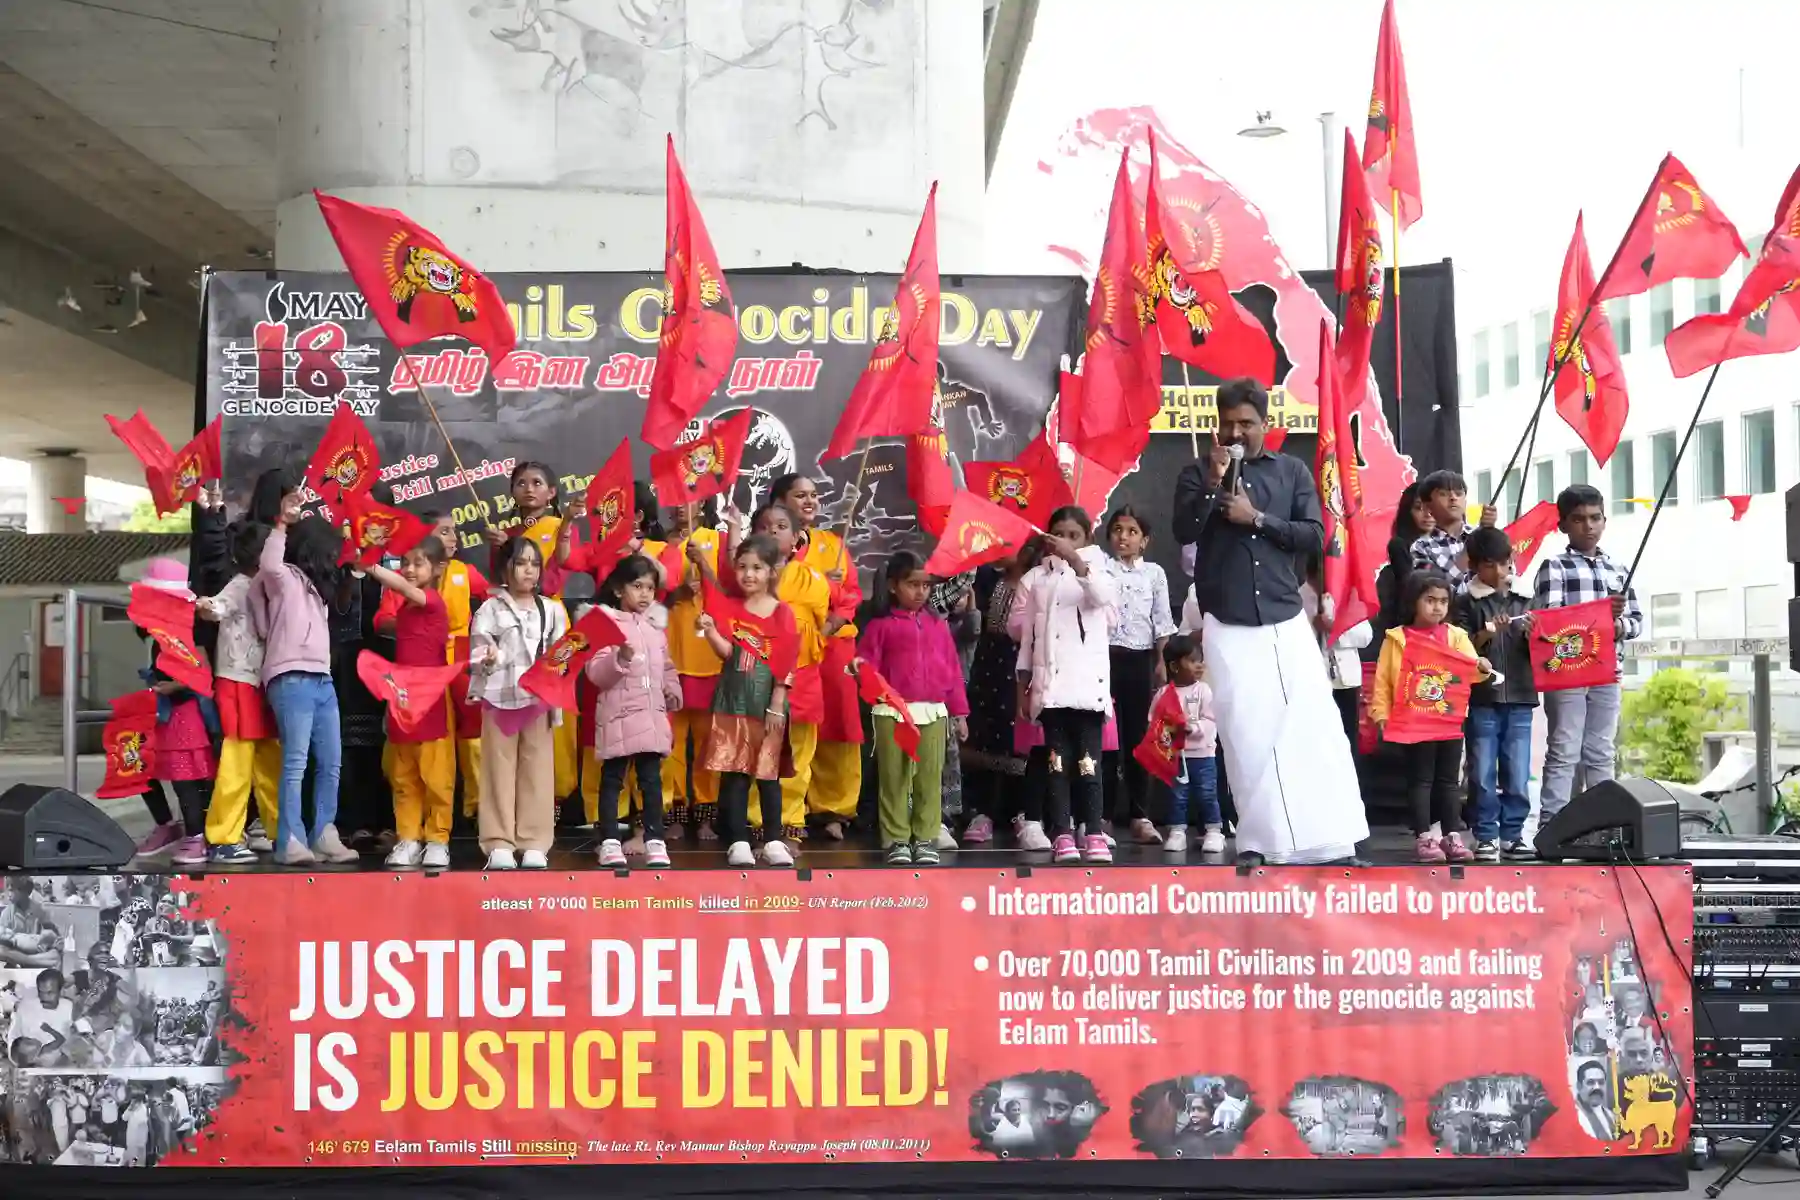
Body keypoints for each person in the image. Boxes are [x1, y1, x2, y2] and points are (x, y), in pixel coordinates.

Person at [1171, 377, 1368, 865]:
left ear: (1266, 422)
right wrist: (1214, 482)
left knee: (1313, 729)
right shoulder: (1197, 473)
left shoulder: (1291, 471)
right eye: (1228, 424)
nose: (1237, 432)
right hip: (1229, 622)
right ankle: (1260, 843)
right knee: (1246, 735)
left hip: (1284, 617)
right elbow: (1184, 529)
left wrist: (1256, 518)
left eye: (1247, 423)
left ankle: (1331, 842)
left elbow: (1315, 534)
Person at [250, 506, 357, 866]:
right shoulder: (284, 577)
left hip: (322, 679)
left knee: (331, 762)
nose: (334, 557)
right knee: (296, 762)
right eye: (331, 550)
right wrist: (282, 523)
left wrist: (355, 565)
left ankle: (324, 833)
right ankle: (290, 839)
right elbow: (269, 565)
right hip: (290, 677)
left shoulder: (316, 590)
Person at [1531, 484, 1643, 823]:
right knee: (1564, 747)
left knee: (1601, 749)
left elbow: (1636, 622)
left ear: (1605, 520)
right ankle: (1552, 822)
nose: (1588, 526)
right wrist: (1598, 617)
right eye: (1579, 519)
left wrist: (1616, 623)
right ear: (1563, 525)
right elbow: (1549, 622)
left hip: (1608, 671)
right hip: (1567, 672)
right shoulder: (1555, 567)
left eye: (1595, 518)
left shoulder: (1618, 569)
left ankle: (1602, 821)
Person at [1015, 507, 1118, 864]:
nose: (1065, 541)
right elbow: (1028, 640)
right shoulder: (1038, 580)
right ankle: (1061, 832)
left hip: (1086, 690)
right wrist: (1023, 686)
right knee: (1056, 764)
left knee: (1089, 764)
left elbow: (1103, 598)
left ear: (1088, 537)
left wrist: (1076, 561)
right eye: (1059, 534)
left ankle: (1093, 831)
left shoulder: (1099, 572)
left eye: (1074, 535)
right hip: (1052, 691)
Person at [375, 511, 490, 821]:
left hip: (461, 660)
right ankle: (413, 822)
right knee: (416, 746)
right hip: (421, 667)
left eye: (454, 531)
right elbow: (382, 620)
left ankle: (477, 806)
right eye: (445, 531)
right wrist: (413, 628)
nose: (453, 537)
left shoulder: (465, 571)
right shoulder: (404, 582)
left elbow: (492, 596)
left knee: (472, 736)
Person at [857, 550, 970, 865]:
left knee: (929, 778)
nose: (920, 592)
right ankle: (896, 839)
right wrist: (870, 682)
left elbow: (952, 670)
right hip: (893, 713)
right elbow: (866, 667)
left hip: (933, 712)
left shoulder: (937, 625)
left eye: (926, 585)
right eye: (912, 584)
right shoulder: (880, 626)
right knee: (894, 778)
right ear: (893, 586)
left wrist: (959, 712)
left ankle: (925, 838)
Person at [694, 533, 799, 868]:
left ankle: (773, 840)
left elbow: (788, 661)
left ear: (771, 572)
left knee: (768, 776)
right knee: (734, 775)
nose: (748, 574)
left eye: (756, 567)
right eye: (742, 567)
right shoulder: (732, 609)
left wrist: (777, 703)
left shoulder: (782, 613)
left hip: (766, 705)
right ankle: (738, 841)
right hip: (732, 702)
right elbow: (728, 653)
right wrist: (711, 631)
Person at [1372, 570, 1490, 863]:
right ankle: (1424, 838)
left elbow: (1471, 670)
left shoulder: (1455, 636)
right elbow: (1383, 680)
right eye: (1430, 600)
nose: (1437, 607)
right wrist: (1381, 714)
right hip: (1413, 720)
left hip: (1448, 719)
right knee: (1421, 780)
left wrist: (1482, 667)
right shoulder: (1396, 638)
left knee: (1448, 781)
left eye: (1443, 601)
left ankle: (1452, 836)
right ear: (1413, 601)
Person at [770, 473, 864, 841]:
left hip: (833, 644)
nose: (810, 501)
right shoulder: (766, 546)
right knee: (791, 728)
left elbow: (851, 595)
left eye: (814, 495)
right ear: (780, 502)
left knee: (838, 724)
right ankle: (783, 816)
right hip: (788, 650)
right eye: (800, 495)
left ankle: (834, 808)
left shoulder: (832, 544)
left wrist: (829, 624)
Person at [469, 535, 569, 870]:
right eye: (521, 563)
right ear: (504, 568)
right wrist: (488, 656)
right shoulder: (489, 609)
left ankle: (534, 842)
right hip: (499, 699)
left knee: (537, 771)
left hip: (537, 701)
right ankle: (498, 842)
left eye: (534, 564)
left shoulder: (551, 610)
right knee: (497, 771)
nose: (529, 570)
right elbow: (478, 654)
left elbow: (562, 656)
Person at [586, 555, 681, 868]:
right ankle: (610, 841)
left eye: (650, 588)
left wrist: (673, 691)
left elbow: (667, 667)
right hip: (618, 718)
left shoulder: (655, 631)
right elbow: (596, 673)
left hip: (649, 720)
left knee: (651, 782)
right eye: (637, 586)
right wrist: (621, 658)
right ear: (618, 589)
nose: (644, 594)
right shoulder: (604, 624)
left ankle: (655, 840)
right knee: (612, 781)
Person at [367, 540, 455, 870]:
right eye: (405, 562)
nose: (409, 569)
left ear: (438, 568)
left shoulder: (433, 602)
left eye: (418, 563)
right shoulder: (405, 608)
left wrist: (369, 567)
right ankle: (408, 837)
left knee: (436, 776)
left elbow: (404, 587)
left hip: (430, 700)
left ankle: (437, 839)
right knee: (403, 775)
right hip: (403, 699)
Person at [746, 504, 831, 850]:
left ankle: (791, 826)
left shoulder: (813, 578)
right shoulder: (746, 577)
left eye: (781, 526)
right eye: (765, 526)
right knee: (759, 755)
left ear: (797, 537)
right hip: (757, 678)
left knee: (798, 757)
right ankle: (760, 828)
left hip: (803, 678)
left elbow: (821, 621)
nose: (772, 531)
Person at [195, 523, 280, 862]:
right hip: (238, 681)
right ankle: (224, 838)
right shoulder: (240, 584)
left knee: (270, 762)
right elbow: (217, 608)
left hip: (265, 683)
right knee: (237, 762)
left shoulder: (274, 587)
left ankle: (279, 831)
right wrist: (205, 605)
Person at [1454, 526, 1540, 863]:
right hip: (1481, 699)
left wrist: (1535, 635)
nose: (1499, 571)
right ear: (1474, 566)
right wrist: (1485, 635)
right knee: (1482, 772)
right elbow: (1461, 649)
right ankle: (1486, 835)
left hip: (1520, 695)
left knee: (1518, 772)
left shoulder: (1527, 598)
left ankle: (1513, 835)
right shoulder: (1465, 602)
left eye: (1504, 563)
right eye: (1490, 565)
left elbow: (1545, 649)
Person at [134, 557, 219, 868]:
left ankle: (196, 835)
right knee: (137, 765)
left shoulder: (187, 630)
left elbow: (202, 672)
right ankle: (166, 825)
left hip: (185, 713)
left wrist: (174, 686)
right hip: (160, 712)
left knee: (185, 778)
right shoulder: (156, 632)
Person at [1099, 506, 1176, 845]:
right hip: (1103, 660)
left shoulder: (1154, 574)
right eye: (1118, 530)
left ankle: (1140, 815)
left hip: (1140, 660)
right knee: (1106, 739)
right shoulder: (1101, 569)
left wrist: (1160, 661)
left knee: (1138, 739)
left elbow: (1162, 620)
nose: (1124, 537)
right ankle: (1101, 815)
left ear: (1144, 540)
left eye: (1132, 532)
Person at [960, 549, 1042, 846]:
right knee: (984, 735)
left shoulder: (1041, 581)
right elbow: (973, 625)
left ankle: (1021, 812)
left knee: (1019, 737)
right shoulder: (984, 578)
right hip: (989, 667)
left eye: (1008, 545)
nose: (999, 550)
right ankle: (981, 813)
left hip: (1024, 668)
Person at [663, 507, 725, 840]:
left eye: (690, 495)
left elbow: (730, 592)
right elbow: (648, 596)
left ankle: (705, 812)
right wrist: (677, 593)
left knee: (707, 744)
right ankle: (672, 808)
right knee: (670, 744)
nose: (682, 506)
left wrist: (703, 564)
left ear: (702, 503)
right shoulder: (659, 546)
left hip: (710, 658)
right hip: (671, 657)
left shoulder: (719, 541)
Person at [1157, 634, 1220, 854]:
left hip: (1203, 756)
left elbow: (1211, 720)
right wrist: (1168, 732)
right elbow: (1154, 723)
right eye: (1192, 661)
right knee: (1177, 795)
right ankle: (1177, 831)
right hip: (1176, 757)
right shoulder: (1164, 694)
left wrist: (1192, 729)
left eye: (1199, 661)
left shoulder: (1203, 690)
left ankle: (1213, 830)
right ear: (1174, 666)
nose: (1198, 666)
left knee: (1207, 794)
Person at [1409, 469, 1496, 591]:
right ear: (1427, 507)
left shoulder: (1484, 534)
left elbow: (1506, 578)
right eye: (1443, 494)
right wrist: (1474, 543)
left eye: (1459, 493)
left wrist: (1489, 535)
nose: (1453, 498)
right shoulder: (1421, 547)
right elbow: (1438, 592)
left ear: (1465, 501)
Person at [1377, 481, 1434, 632]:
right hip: (1409, 621)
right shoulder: (1399, 545)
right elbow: (1410, 588)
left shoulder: (1452, 542)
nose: (1427, 514)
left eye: (1432, 507)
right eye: (1419, 508)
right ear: (1408, 511)